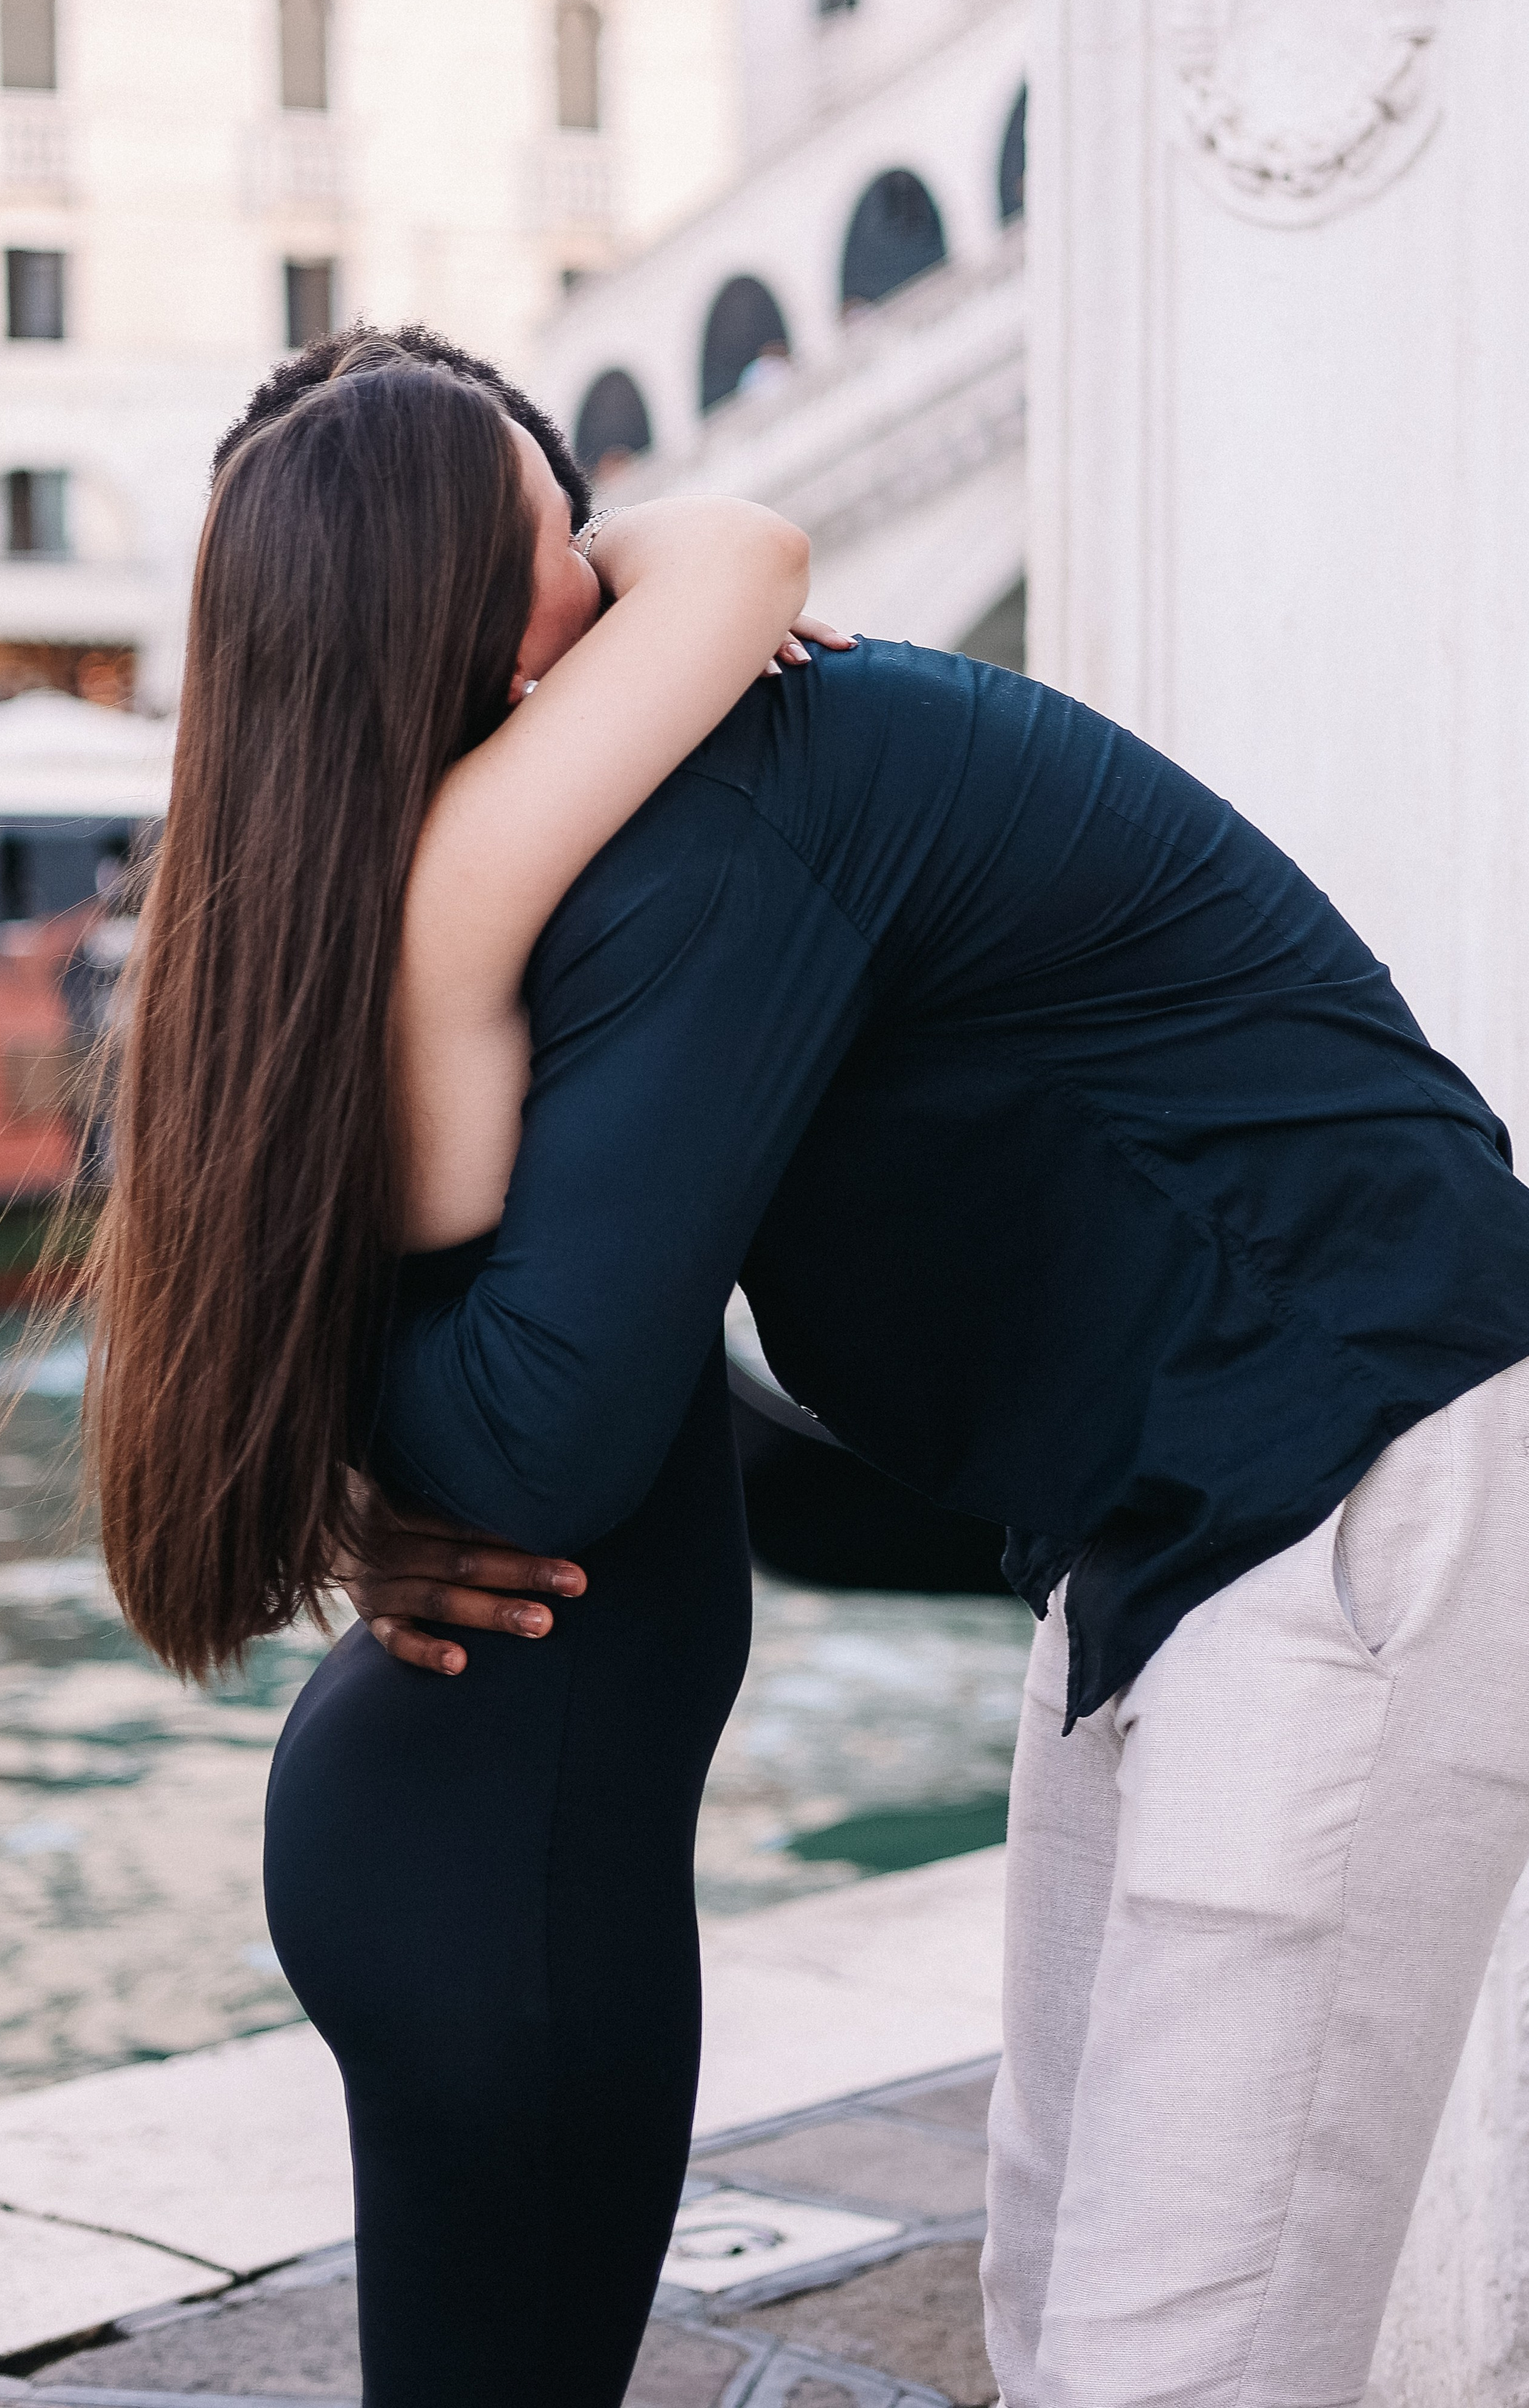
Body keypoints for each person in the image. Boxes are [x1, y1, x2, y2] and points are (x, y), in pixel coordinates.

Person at [324, 387, 1529, 2400]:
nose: (605, 565)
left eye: (600, 527)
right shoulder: (650, 833)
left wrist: (370, 1423)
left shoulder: (737, 801)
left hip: (1357, 1471)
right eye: (570, 529)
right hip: (1175, 1525)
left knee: (1170, 2363)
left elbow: (551, 1420)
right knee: (1066, 2310)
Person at [87, 323, 848, 2406]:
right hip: (505, 1869)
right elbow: (748, 545)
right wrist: (677, 618)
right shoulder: (474, 886)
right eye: (557, 536)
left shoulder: (321, 933)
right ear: (435, 626)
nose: (603, 581)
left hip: (457, 1826)